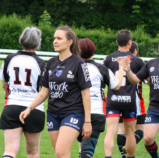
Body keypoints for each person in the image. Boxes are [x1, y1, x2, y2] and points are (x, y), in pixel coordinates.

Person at [19, 26, 93, 158]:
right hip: (53, 113)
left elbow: (85, 93)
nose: (55, 41)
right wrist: (30, 108)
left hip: (73, 112)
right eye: (54, 38)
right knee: (61, 154)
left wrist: (87, 121)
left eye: (59, 38)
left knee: (60, 152)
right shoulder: (51, 63)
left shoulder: (79, 63)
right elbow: (44, 91)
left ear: (69, 42)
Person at [77, 38, 128, 158]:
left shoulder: (73, 67)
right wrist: (121, 68)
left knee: (79, 148)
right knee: (86, 151)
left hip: (74, 112)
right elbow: (117, 85)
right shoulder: (101, 69)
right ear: (93, 51)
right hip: (95, 112)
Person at [0, 27, 46, 158]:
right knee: (33, 152)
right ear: (38, 43)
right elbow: (44, 89)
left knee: (9, 151)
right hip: (34, 109)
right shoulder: (41, 63)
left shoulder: (9, 59)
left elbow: (4, 84)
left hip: (11, 107)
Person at [103, 30, 145, 158]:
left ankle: (108, 157)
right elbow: (146, 79)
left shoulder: (108, 59)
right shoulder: (137, 60)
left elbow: (103, 79)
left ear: (116, 42)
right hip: (129, 101)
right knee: (130, 133)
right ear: (129, 42)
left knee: (110, 132)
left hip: (113, 100)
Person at [117, 41, 146, 158]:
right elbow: (148, 80)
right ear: (135, 51)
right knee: (140, 130)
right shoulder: (138, 63)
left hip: (117, 99)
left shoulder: (117, 61)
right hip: (135, 101)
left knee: (121, 130)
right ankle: (128, 148)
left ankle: (124, 153)